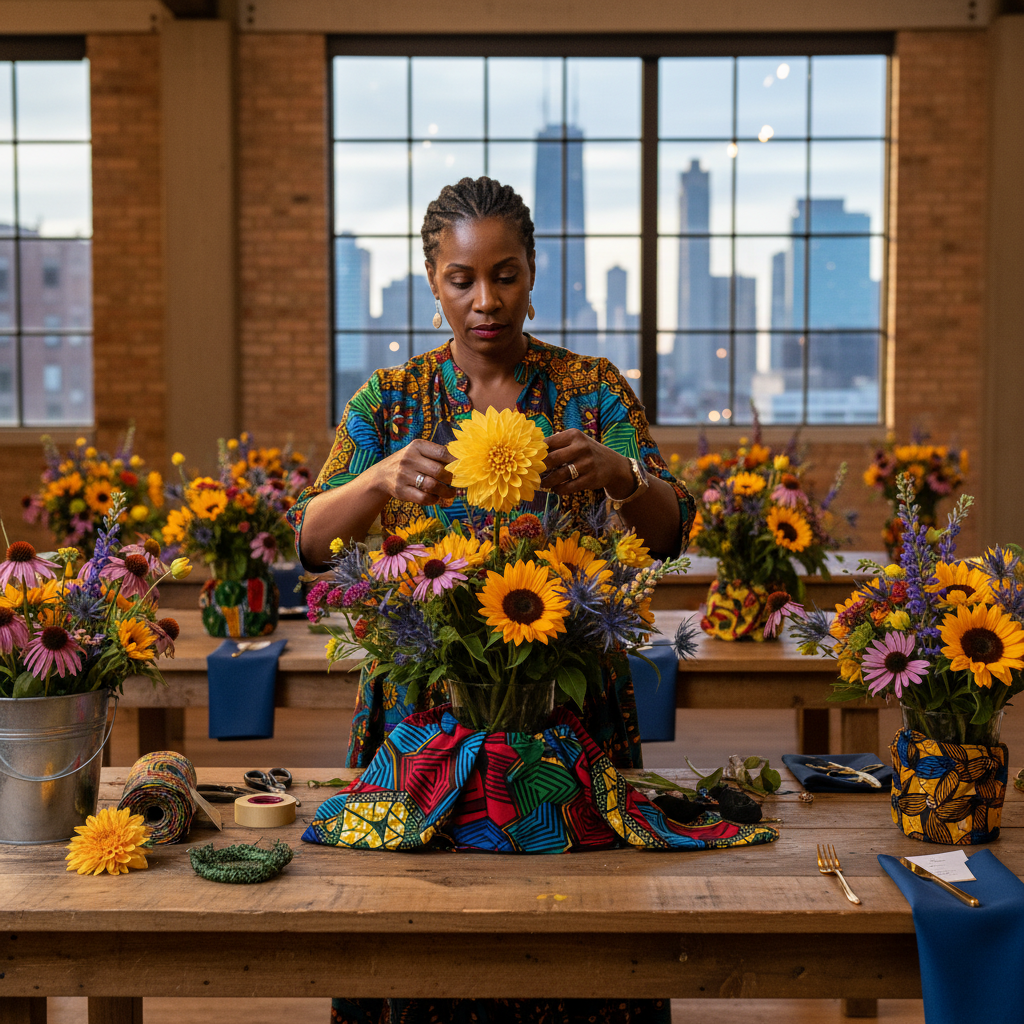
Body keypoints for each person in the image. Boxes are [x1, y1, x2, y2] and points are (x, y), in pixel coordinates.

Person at [288, 176, 695, 1024]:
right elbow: (310, 540)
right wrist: (376, 477)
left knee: (586, 935)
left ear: (534, 271)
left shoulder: (589, 389)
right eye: (462, 279)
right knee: (412, 933)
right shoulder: (392, 399)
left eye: (504, 275)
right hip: (423, 709)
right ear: (432, 280)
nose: (485, 301)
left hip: (565, 708)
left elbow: (670, 531)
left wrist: (622, 475)